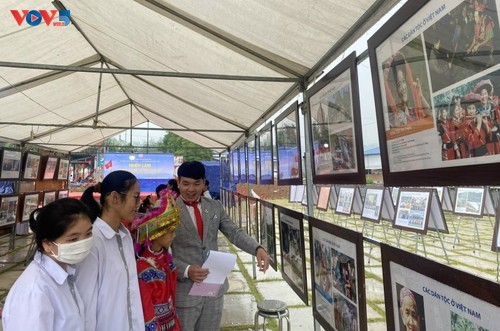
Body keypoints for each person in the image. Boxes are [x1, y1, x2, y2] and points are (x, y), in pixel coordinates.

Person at [171, 161, 269, 331]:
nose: (191, 189)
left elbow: (234, 232)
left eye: (196, 184)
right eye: (185, 184)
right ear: (178, 182)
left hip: (213, 290)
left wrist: (257, 248)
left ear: (204, 183)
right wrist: (186, 270)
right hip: (184, 293)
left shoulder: (214, 206)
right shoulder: (168, 210)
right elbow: (160, 253)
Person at [2, 198, 93, 331]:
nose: (83, 243)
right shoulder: (34, 292)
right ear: (47, 244)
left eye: (88, 233)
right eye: (73, 239)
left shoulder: (65, 273)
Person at [77, 170, 145, 331]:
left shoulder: (125, 235)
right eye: (135, 197)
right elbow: (86, 301)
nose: (139, 203)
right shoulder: (93, 240)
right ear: (114, 198)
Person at [132, 189, 181, 331]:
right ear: (156, 234)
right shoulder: (143, 266)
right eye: (170, 232)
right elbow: (147, 309)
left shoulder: (165, 258)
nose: (174, 235)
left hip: (171, 321)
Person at [383, 51, 432, 128]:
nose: (403, 87)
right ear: (393, 91)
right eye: (399, 84)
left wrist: (420, 96)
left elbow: (430, 115)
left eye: (403, 81)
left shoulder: (412, 111)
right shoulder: (391, 121)